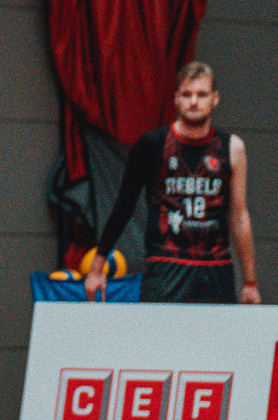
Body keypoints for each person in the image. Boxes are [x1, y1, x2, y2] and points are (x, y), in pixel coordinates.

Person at [83, 61, 260, 303]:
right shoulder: (151, 144)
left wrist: (250, 282)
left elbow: (239, 215)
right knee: (158, 341)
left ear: (215, 99)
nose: (194, 101)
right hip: (166, 265)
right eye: (187, 94)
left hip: (215, 267)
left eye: (201, 94)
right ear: (176, 99)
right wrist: (96, 269)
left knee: (216, 341)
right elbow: (123, 207)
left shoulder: (232, 147)